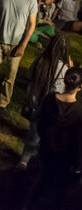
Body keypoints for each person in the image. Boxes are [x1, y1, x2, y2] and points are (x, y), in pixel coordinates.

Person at [21, 67, 82, 208]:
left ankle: (27, 206)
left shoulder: (49, 99)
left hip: (47, 148)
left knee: (40, 179)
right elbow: (79, 140)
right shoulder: (79, 112)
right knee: (60, 188)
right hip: (66, 156)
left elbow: (37, 119)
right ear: (80, 87)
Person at [18, 32, 73, 168]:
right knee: (44, 139)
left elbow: (27, 75)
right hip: (49, 111)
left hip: (34, 104)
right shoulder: (64, 69)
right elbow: (62, 91)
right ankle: (37, 164)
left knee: (33, 135)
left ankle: (23, 162)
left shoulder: (40, 60)